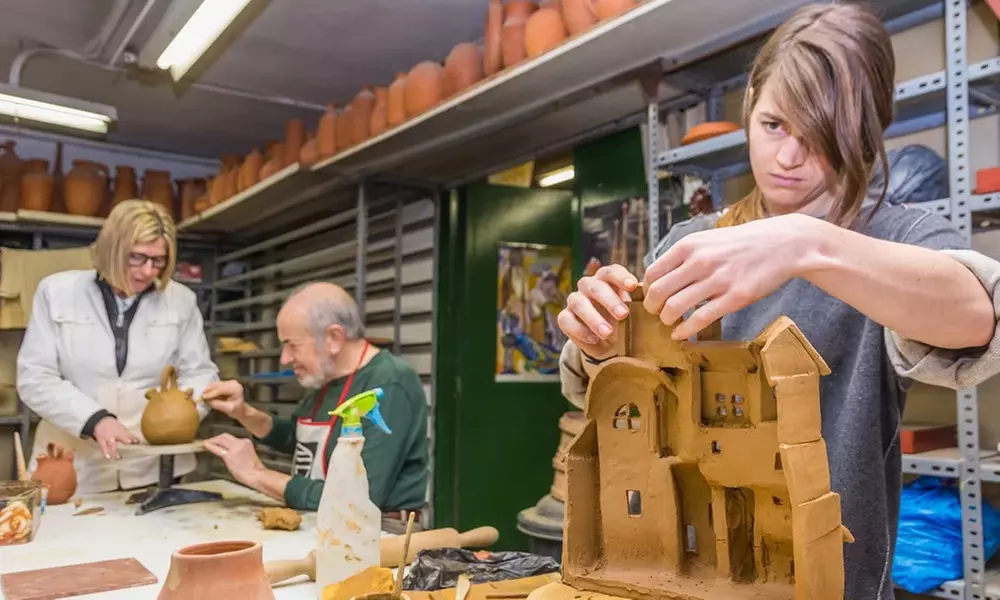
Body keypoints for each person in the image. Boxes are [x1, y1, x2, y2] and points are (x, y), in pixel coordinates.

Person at [557, 4, 1000, 599]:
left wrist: (805, 242)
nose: (788, 158)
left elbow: (979, 318)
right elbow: (619, 389)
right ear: (749, 110)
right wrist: (596, 343)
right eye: (773, 126)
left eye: (819, 137)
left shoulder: (894, 239)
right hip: (686, 574)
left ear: (867, 133)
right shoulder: (694, 241)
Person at [17, 199, 219, 493]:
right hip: (76, 464)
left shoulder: (181, 300)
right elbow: (35, 377)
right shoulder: (57, 292)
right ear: (113, 248)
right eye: (137, 257)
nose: (148, 271)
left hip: (153, 464)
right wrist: (94, 420)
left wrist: (180, 413)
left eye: (158, 260)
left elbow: (200, 373)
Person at [201, 281, 428, 533]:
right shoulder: (327, 377)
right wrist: (243, 413)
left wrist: (256, 473)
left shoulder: (389, 384)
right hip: (319, 521)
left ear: (333, 338)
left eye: (292, 345)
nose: (284, 359)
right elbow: (302, 439)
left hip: (379, 532)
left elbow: (359, 499)